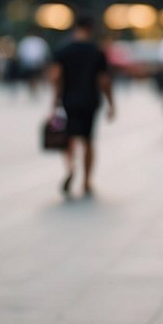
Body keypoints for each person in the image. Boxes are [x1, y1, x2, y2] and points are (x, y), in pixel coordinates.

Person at [48, 14, 114, 197]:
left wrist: (54, 102)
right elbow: (104, 80)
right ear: (91, 29)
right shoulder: (96, 51)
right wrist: (111, 104)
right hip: (90, 100)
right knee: (88, 140)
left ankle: (70, 167)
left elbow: (55, 77)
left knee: (68, 137)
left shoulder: (63, 50)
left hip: (69, 100)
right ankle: (86, 181)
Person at [16, 30, 51, 96]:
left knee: (32, 77)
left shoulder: (26, 41)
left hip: (30, 62)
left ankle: (34, 90)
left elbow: (20, 53)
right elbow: (45, 53)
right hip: (36, 62)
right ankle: (35, 89)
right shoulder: (39, 41)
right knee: (34, 77)